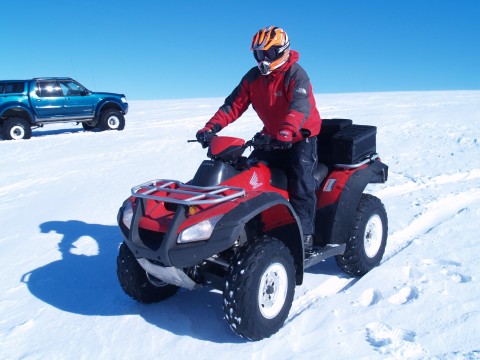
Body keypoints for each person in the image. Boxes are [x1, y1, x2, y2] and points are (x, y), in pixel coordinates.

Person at [196, 26, 322, 251]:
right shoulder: (253, 78)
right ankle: (247, 225)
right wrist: (210, 128)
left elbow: (299, 107)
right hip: (272, 137)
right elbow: (233, 105)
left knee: (301, 182)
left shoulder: (295, 74)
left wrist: (286, 131)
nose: (263, 60)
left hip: (300, 137)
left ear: (281, 50)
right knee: (248, 174)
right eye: (258, 54)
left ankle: (305, 236)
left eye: (268, 54)